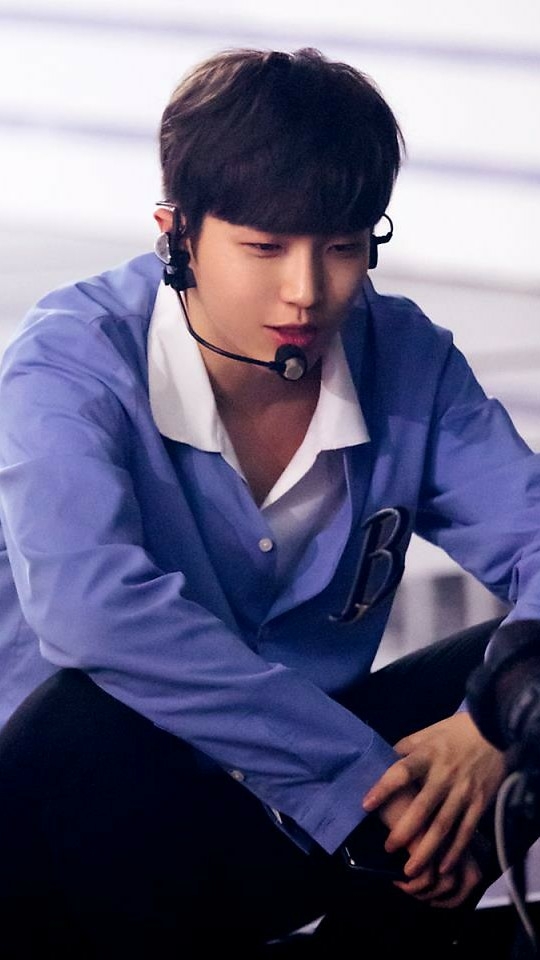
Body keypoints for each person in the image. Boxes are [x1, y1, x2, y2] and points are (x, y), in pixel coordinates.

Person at [0, 45, 538, 959]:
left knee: (527, 678)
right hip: (79, 830)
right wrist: (356, 780)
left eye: (343, 247)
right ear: (176, 233)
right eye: (264, 247)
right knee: (90, 711)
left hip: (323, 824)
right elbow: (94, 610)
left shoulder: (404, 354)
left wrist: (492, 721)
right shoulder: (68, 359)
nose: (307, 290)